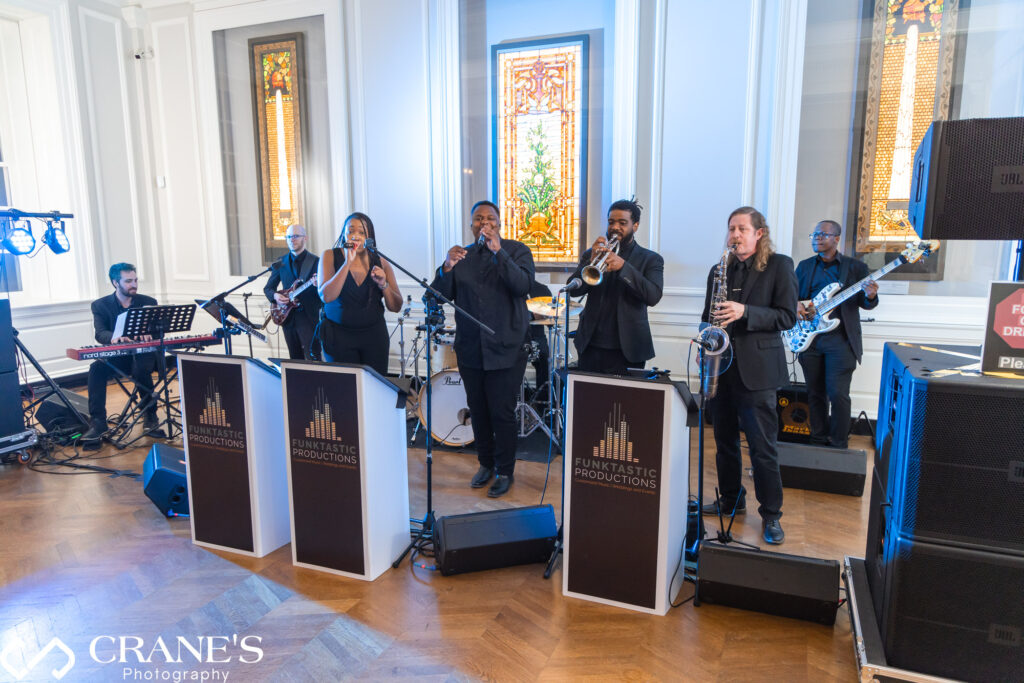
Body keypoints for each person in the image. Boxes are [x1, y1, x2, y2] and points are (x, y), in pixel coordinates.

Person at [700, 207, 797, 545]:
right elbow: (706, 316)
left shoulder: (779, 266)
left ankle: (771, 515)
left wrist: (745, 312)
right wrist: (705, 335)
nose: (735, 235)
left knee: (762, 448)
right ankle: (731, 499)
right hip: (722, 369)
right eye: (731, 228)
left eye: (742, 228)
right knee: (724, 443)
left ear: (759, 233)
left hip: (758, 373)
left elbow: (787, 317)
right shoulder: (719, 270)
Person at [431, 200, 535, 498]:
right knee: (478, 409)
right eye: (478, 219)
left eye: (490, 218)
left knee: (501, 412)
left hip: (506, 348)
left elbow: (522, 285)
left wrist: (497, 251)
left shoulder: (516, 250)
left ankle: (505, 470)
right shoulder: (461, 256)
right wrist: (446, 266)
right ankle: (485, 464)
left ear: (499, 224)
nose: (484, 223)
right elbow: (439, 294)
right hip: (471, 348)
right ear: (471, 225)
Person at [795, 220, 879, 449]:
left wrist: (870, 296)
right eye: (814, 234)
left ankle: (838, 444)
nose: (817, 238)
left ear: (836, 238)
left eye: (823, 234)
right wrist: (795, 305)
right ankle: (818, 440)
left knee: (838, 394)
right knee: (815, 393)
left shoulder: (855, 268)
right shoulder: (803, 266)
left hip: (841, 341)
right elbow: (791, 295)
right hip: (809, 339)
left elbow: (866, 303)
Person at [569, 199, 664, 375]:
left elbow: (653, 296)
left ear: (635, 226)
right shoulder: (593, 254)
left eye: (623, 223)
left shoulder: (651, 259)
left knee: (624, 402)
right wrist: (590, 262)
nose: (615, 227)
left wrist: (623, 267)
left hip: (628, 348)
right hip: (591, 344)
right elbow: (574, 290)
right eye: (611, 222)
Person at [82, 263, 161, 441]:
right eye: (128, 281)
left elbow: (159, 330)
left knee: (141, 369)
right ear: (115, 283)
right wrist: (115, 337)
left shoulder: (148, 302)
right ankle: (98, 422)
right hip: (119, 357)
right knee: (96, 368)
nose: (134, 285)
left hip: (144, 355)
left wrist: (152, 332)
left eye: (135, 280)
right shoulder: (100, 305)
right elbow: (100, 333)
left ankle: (150, 415)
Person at [317, 212, 403, 375]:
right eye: (350, 231)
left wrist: (384, 284)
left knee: (374, 387)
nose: (355, 235)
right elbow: (326, 296)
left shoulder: (381, 262)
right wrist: (347, 262)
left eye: (361, 232)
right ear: (344, 234)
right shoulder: (329, 256)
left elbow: (396, 306)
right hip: (338, 337)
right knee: (344, 391)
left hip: (373, 337)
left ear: (369, 237)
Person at [264, 224, 322, 360]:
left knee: (313, 358)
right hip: (287, 317)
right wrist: (275, 296)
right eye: (288, 237)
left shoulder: (316, 262)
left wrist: (317, 286)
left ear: (305, 238)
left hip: (308, 317)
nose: (292, 239)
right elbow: (268, 289)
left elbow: (325, 292)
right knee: (294, 358)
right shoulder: (281, 262)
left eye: (295, 236)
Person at [527, 279, 553, 402]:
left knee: (545, 358)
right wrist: (531, 315)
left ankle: (542, 402)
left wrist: (549, 315)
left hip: (537, 336)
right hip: (514, 337)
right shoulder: (510, 287)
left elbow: (549, 318)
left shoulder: (542, 289)